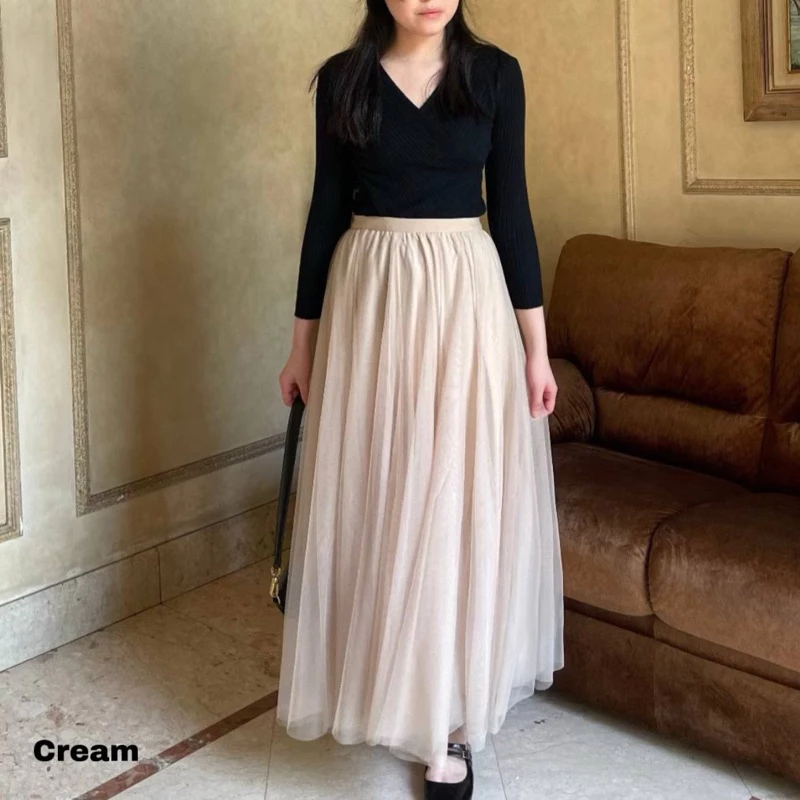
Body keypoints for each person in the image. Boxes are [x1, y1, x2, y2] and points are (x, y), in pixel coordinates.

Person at [277, 1, 565, 797]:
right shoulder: (344, 79)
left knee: (455, 502)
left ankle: (447, 717)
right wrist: (301, 345)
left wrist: (537, 350)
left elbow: (512, 211)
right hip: (371, 299)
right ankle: (395, 689)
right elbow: (325, 213)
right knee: (386, 497)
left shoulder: (495, 74)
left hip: (466, 301)